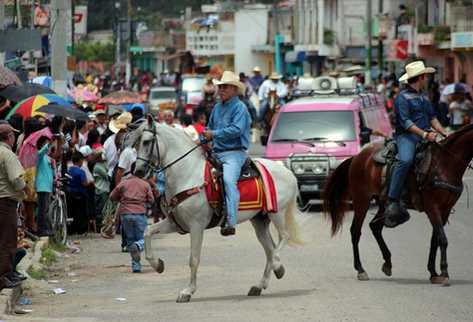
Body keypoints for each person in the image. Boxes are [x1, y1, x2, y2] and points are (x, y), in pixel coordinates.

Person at [385, 61, 448, 228]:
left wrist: (444, 132)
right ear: (420, 77)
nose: (427, 79)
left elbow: (432, 118)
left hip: (427, 135)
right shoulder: (402, 98)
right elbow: (405, 123)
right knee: (405, 160)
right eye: (425, 76)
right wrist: (425, 134)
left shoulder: (423, 97)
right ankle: (392, 199)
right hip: (407, 137)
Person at [202, 71, 251, 236]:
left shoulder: (240, 108)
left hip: (234, 153)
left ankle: (231, 221)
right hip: (216, 152)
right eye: (220, 87)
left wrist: (213, 134)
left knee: (229, 181)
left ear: (234, 90)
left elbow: (237, 130)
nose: (221, 90)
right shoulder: (216, 107)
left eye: (225, 87)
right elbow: (209, 127)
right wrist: (203, 136)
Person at [110, 165, 154, 273]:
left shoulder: (124, 183)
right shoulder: (145, 184)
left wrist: (121, 198)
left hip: (125, 214)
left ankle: (136, 266)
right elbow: (151, 200)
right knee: (144, 239)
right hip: (139, 213)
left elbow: (112, 196)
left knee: (130, 240)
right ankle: (138, 246)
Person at [0, 124, 27, 290]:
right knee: (6, 240)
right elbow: (16, 179)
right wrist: (25, 187)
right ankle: (3, 276)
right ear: (9, 137)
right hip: (5, 201)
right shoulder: (7, 154)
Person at [67, 151, 91, 235]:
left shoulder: (69, 170)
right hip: (81, 194)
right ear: (80, 160)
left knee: (72, 211)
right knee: (81, 212)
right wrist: (89, 183)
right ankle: (81, 229)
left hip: (71, 193)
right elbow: (84, 183)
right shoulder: (81, 172)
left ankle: (71, 229)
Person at [35, 135, 54, 237]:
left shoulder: (48, 158)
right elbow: (41, 152)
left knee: (46, 209)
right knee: (43, 210)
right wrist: (49, 143)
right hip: (42, 186)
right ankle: (41, 230)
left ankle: (46, 229)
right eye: (45, 143)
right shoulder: (39, 155)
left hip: (47, 186)